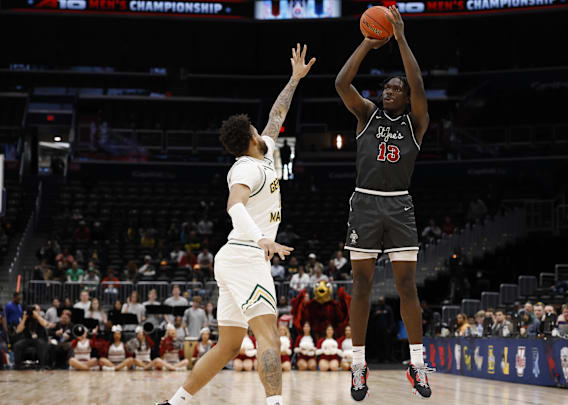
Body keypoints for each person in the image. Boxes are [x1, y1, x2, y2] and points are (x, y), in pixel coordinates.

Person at [156, 43, 313, 405]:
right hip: (245, 255)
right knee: (269, 338)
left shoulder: (264, 153)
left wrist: (294, 79)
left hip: (233, 258)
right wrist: (262, 240)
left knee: (228, 346)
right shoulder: (245, 168)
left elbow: (277, 115)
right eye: (259, 130)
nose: (265, 130)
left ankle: (174, 403)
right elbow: (233, 206)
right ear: (252, 138)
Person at [336, 8, 432, 398]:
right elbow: (342, 82)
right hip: (365, 203)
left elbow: (419, 82)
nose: (388, 91)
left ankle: (418, 363)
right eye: (385, 88)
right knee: (361, 284)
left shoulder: (416, 122)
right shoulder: (367, 115)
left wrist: (402, 37)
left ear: (406, 97)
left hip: (399, 205)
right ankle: (358, 364)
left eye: (395, 88)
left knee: (407, 286)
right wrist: (368, 42)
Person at [14, 304, 51, 369]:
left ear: (39, 311)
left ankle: (41, 365)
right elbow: (18, 330)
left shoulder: (41, 317)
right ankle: (18, 366)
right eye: (34, 310)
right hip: (28, 339)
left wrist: (37, 316)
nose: (34, 312)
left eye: (36, 310)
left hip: (40, 339)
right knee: (17, 345)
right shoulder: (26, 318)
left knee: (41, 344)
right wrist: (24, 318)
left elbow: (45, 324)